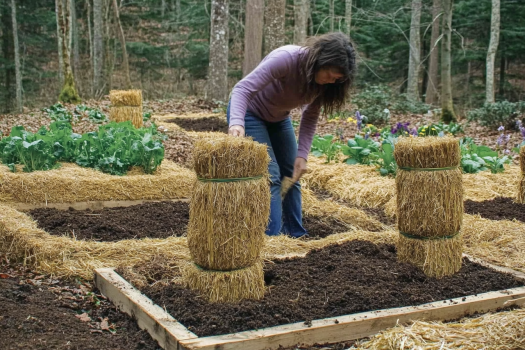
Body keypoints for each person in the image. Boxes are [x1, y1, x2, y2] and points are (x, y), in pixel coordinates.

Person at [227, 32, 356, 238]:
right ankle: (273, 239)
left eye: (337, 79)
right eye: (331, 75)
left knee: (292, 175)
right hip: (250, 114)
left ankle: (296, 235)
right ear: (321, 59)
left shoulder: (323, 84)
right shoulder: (286, 58)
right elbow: (242, 89)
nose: (332, 81)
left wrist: (302, 155)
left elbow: (310, 115)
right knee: (273, 176)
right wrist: (237, 124)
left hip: (278, 119)